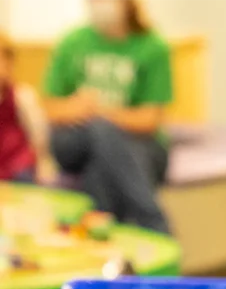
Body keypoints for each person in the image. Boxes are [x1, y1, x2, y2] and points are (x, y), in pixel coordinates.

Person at [42, 0, 172, 234]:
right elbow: (49, 109)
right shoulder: (72, 42)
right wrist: (75, 108)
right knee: (100, 134)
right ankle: (154, 222)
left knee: (100, 164)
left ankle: (104, 240)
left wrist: (101, 112)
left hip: (136, 143)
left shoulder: (153, 46)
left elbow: (149, 121)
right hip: (74, 140)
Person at [0, 32, 53, 183]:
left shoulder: (22, 96)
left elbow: (39, 135)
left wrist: (43, 165)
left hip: (17, 163)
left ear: (9, 64)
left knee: (23, 176)